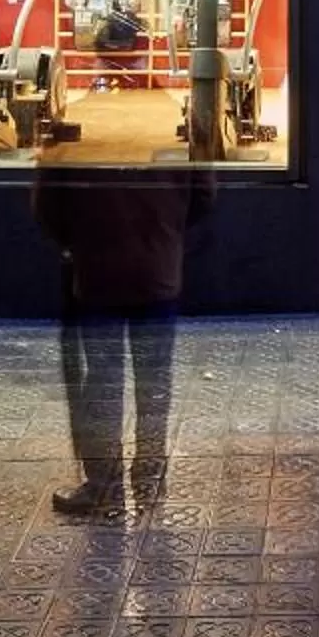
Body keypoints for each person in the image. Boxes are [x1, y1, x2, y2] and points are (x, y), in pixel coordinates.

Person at [33, 155, 214, 517]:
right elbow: (204, 196)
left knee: (102, 381)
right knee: (155, 382)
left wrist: (79, 242)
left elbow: (47, 203)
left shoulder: (77, 125)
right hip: (158, 271)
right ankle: (148, 481)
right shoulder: (178, 127)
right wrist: (166, 234)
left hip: (98, 271)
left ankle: (105, 486)